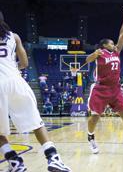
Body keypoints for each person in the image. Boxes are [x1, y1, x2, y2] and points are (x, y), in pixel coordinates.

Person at [0, 17, 70, 171]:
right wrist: (10, 67)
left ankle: (14, 161)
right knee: (36, 122)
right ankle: (53, 158)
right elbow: (24, 63)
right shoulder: (14, 36)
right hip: (16, 81)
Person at [86, 5, 123, 154]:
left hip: (115, 89)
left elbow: (122, 35)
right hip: (100, 88)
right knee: (95, 117)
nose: (114, 44)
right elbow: (87, 60)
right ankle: (91, 137)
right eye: (111, 43)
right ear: (104, 45)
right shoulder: (100, 53)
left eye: (114, 43)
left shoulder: (116, 53)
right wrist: (93, 54)